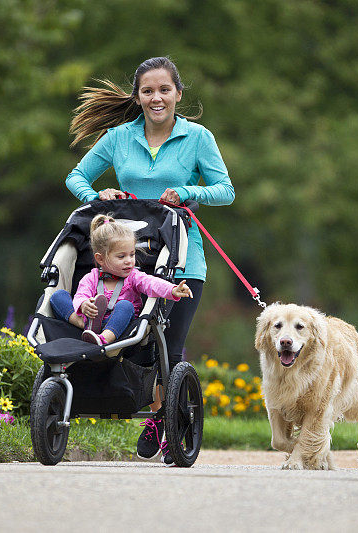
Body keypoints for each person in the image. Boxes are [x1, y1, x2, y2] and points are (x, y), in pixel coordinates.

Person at [65, 56, 234, 463]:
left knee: (169, 348)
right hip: (128, 260)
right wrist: (97, 196)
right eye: (147, 91)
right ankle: (151, 406)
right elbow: (76, 177)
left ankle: (162, 419)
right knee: (137, 344)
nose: (156, 98)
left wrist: (188, 192)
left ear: (178, 93)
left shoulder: (198, 138)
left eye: (164, 90)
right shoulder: (119, 138)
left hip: (182, 261)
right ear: (138, 96)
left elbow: (225, 189)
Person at [49, 214, 193, 346]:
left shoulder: (134, 276)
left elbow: (152, 283)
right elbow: (81, 294)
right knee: (57, 296)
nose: (129, 261)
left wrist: (173, 289)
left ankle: (104, 338)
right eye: (121, 256)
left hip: (119, 323)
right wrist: (84, 305)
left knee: (126, 305)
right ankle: (82, 323)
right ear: (100, 258)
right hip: (90, 318)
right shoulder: (91, 278)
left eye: (132, 254)